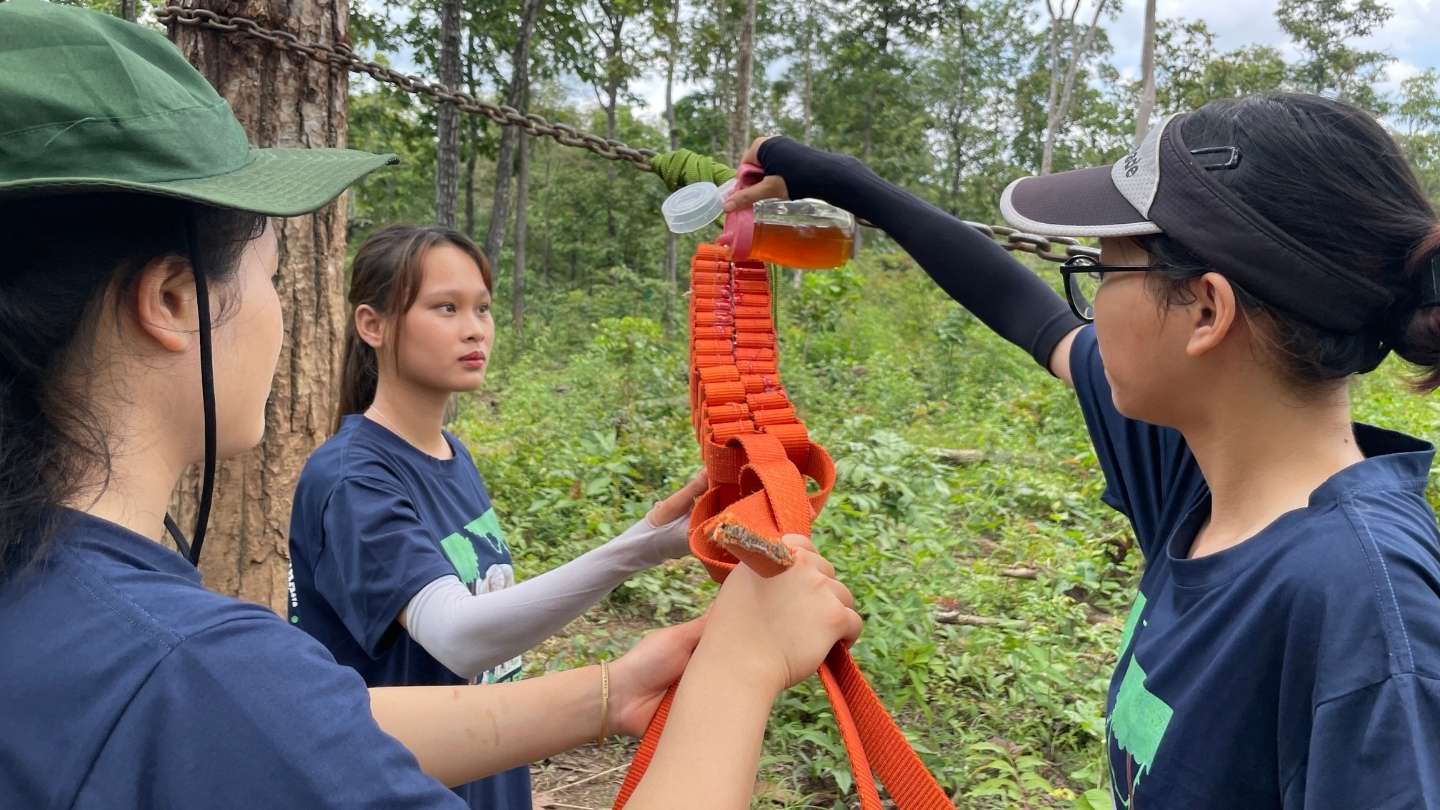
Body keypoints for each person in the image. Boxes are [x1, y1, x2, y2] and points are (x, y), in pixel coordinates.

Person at [0, 3, 861, 808]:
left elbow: (309, 718)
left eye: (481, 306)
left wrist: (608, 691)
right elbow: (261, 704)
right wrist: (741, 666)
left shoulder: (66, 607)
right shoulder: (185, 661)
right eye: (270, 277)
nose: (472, 328)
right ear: (176, 303)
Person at [727, 94, 1440, 807]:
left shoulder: (1367, 609)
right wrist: (833, 177)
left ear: (1205, 311)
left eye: (1104, 272)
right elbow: (1022, 310)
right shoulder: (1198, 472)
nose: (1089, 306)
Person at [287, 224, 708, 809]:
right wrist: (637, 551)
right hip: (400, 790)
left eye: (482, 309)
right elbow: (456, 635)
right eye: (446, 307)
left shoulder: (451, 455)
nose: (474, 329)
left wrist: (651, 536)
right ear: (372, 325)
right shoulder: (352, 480)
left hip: (485, 779)